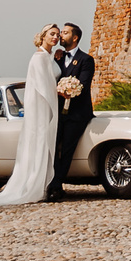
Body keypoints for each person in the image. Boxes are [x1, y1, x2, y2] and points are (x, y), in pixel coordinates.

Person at [0, 25, 61, 207]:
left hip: (48, 106)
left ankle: (44, 184)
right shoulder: (38, 58)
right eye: (52, 34)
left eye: (58, 35)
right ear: (43, 36)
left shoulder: (50, 57)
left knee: (45, 142)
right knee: (38, 141)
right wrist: (61, 92)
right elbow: (43, 86)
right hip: (40, 106)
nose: (55, 37)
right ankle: (33, 185)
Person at [46, 23, 96, 200]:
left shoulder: (86, 60)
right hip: (57, 113)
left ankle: (56, 185)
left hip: (77, 114)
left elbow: (83, 84)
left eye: (65, 33)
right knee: (52, 147)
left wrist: (68, 90)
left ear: (74, 38)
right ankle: (52, 184)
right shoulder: (57, 57)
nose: (61, 36)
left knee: (66, 150)